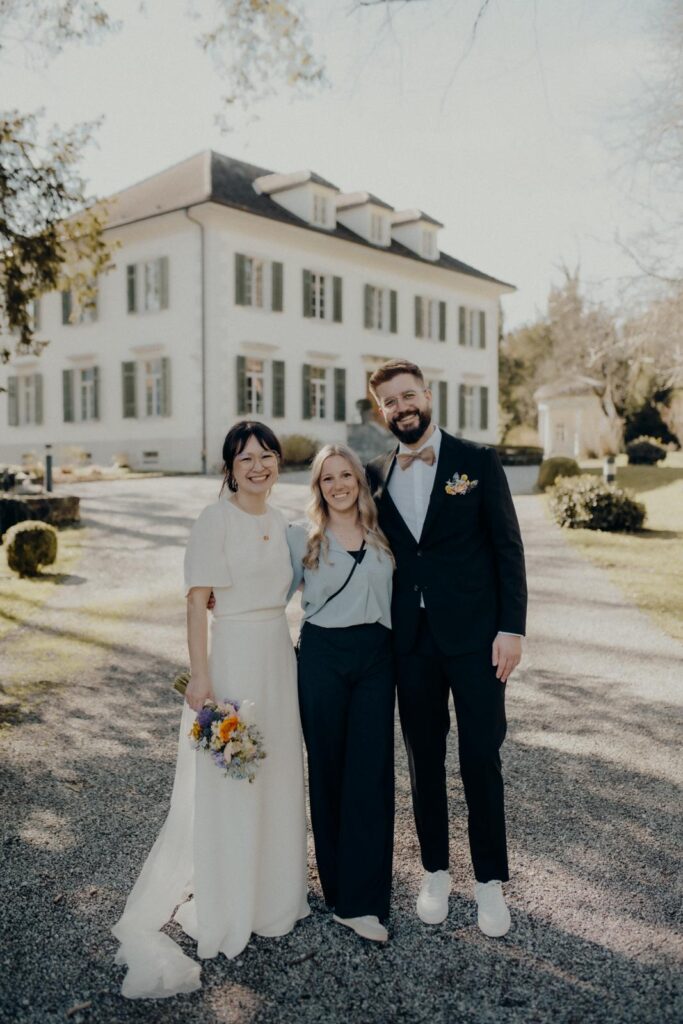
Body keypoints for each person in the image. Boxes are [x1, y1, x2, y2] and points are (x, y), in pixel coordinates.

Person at [112, 421, 309, 999]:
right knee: (232, 781)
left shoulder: (284, 524)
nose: (258, 465)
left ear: (277, 464)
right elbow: (198, 603)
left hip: (279, 658)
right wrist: (201, 676)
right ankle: (230, 905)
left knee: (274, 777)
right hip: (232, 664)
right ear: (229, 467)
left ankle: (275, 899)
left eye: (267, 455)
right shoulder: (213, 520)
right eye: (245, 457)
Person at [366, 360, 527, 938]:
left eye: (409, 395)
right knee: (423, 760)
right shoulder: (373, 475)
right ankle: (436, 870)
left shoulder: (477, 461)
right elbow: (337, 537)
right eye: (390, 401)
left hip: (479, 640)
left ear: (427, 396)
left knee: (481, 756)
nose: (401, 407)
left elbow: (508, 549)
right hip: (410, 644)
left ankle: (490, 883)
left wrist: (512, 628)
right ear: (380, 411)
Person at [287, 443, 395, 943]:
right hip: (323, 657)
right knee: (327, 772)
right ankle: (336, 892)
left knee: (370, 775)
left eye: (345, 475)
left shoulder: (383, 532)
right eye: (327, 478)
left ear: (359, 480)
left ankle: (364, 900)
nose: (338, 485)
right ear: (318, 487)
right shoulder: (302, 538)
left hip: (377, 657)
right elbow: (265, 593)